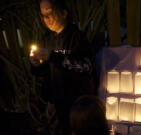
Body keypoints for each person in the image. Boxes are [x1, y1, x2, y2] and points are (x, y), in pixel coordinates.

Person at [30, 0, 95, 134]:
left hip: (76, 103)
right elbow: (44, 72)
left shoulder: (77, 37)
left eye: (50, 13)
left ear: (64, 13)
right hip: (55, 102)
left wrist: (54, 57)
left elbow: (86, 67)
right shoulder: (46, 39)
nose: (46, 19)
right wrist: (36, 65)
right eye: (43, 15)